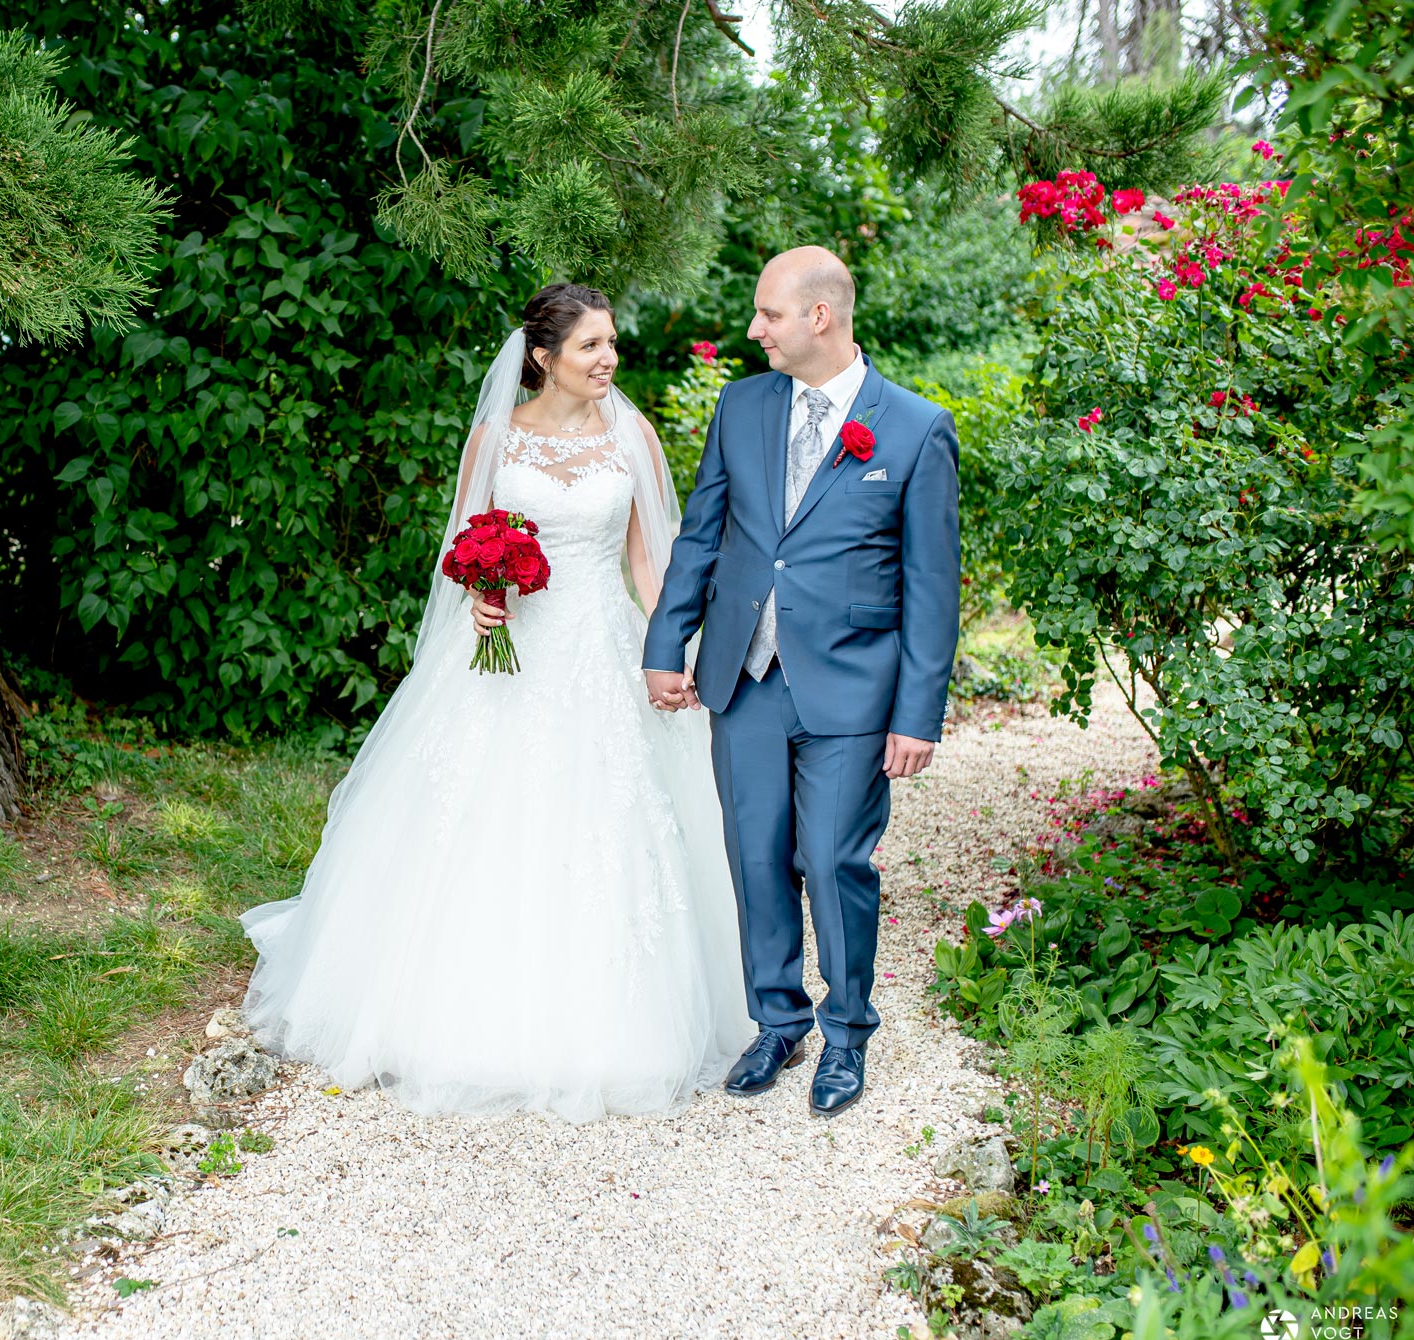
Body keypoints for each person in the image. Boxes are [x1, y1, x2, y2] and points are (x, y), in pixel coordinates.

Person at [239, 283, 753, 1123]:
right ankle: (451, 1011)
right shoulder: (496, 437)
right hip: (502, 659)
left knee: (610, 817)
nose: (608, 359)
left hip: (601, 649)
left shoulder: (636, 437)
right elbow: (465, 546)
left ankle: (619, 1024)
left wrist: (672, 654)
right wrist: (482, 593)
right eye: (590, 346)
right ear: (542, 357)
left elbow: (651, 564)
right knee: (478, 812)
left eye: (612, 343)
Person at [643, 246, 961, 1118]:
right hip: (743, 676)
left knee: (831, 859)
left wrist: (917, 714)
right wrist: (667, 644)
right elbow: (703, 535)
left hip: (854, 689)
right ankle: (778, 1023)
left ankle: (848, 1032)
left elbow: (933, 588)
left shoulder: (914, 428)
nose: (755, 330)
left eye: (768, 315)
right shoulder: (741, 406)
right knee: (755, 859)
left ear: (819, 316)